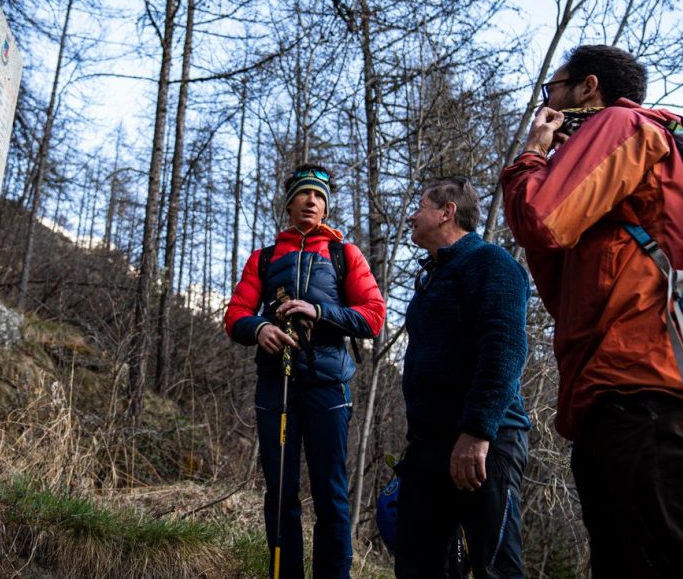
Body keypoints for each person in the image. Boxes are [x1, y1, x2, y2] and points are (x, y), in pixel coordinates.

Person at [500, 44, 683, 577]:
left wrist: (531, 156)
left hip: (662, 407)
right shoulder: (617, 181)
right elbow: (566, 295)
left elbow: (541, 222)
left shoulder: (623, 125)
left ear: (588, 88)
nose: (545, 102)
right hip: (618, 405)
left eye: (554, 89)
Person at [224, 164, 385, 578]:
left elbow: (373, 317)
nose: (312, 201)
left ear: (326, 207)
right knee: (280, 491)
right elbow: (235, 316)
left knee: (330, 492)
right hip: (275, 386)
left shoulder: (343, 254)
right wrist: (260, 329)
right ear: (290, 202)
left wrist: (319, 311)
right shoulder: (263, 259)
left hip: (329, 387)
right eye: (304, 194)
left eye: (319, 196)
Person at [397, 177, 531, 578]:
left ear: (446, 212)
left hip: (485, 442)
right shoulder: (433, 277)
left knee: (495, 569)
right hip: (429, 448)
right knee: (418, 567)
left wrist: (477, 432)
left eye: (421, 206)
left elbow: (505, 349)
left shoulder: (492, 263)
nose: (412, 215)